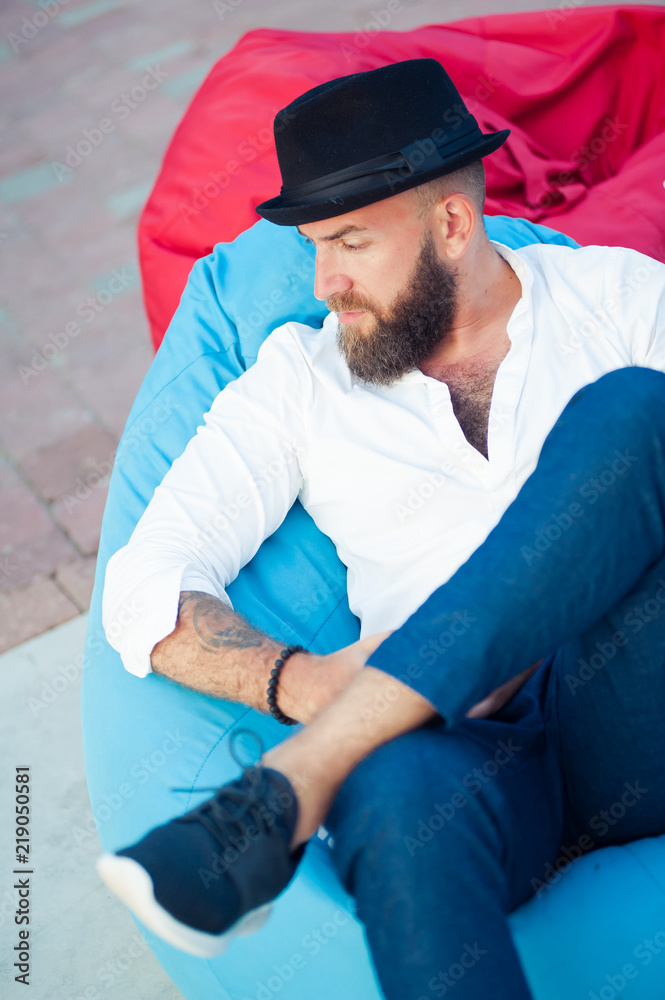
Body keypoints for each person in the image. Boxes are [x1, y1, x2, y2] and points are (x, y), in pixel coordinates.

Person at [97, 59, 665, 1000]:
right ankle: (351, 747)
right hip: (464, 767)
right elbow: (142, 582)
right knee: (392, 789)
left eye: (351, 243)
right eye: (314, 247)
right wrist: (302, 681)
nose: (325, 282)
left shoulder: (617, 300)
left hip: (635, 704)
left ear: (451, 223)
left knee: (634, 418)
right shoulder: (297, 383)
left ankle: (295, 782)